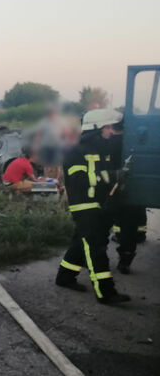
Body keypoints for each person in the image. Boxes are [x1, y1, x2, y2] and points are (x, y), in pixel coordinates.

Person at [55, 109, 130, 304]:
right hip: (83, 205)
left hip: (97, 204)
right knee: (95, 246)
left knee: (82, 242)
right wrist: (111, 176)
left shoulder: (100, 149)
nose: (111, 131)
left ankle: (65, 277)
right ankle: (106, 292)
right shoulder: (75, 151)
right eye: (108, 127)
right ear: (96, 128)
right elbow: (78, 180)